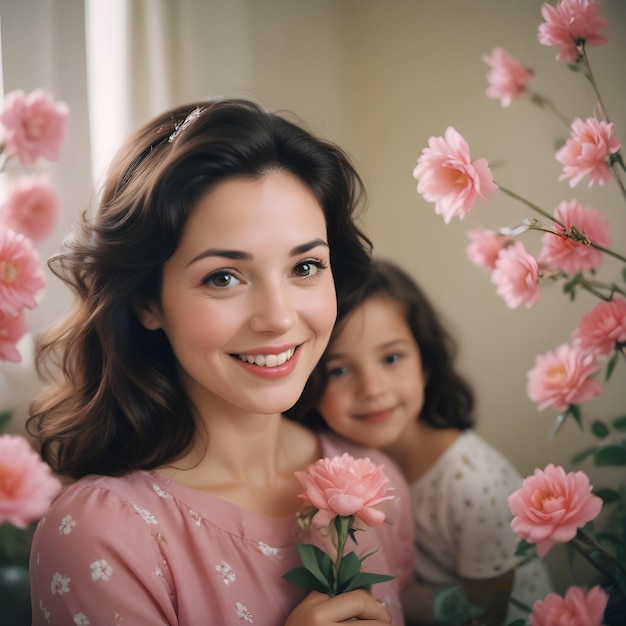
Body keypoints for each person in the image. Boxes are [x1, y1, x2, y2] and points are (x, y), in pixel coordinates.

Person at [26, 100, 415, 626]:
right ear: (148, 303)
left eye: (305, 266)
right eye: (223, 277)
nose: (278, 318)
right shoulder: (103, 534)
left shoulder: (372, 488)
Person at [294, 258, 554, 626]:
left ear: (425, 363)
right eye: (338, 369)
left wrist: (397, 600)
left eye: (391, 358)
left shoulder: (474, 484)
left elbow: (488, 612)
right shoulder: (332, 461)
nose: (371, 389)